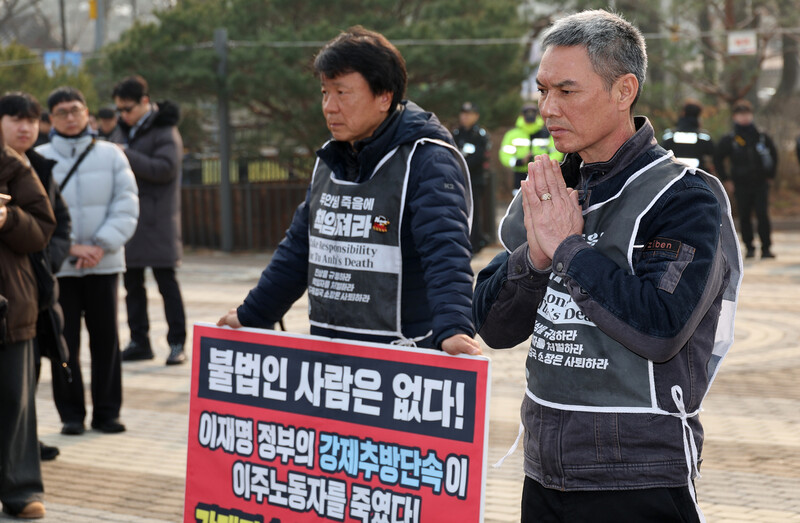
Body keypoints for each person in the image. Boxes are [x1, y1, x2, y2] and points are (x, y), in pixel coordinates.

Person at [473, 10, 741, 522]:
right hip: (544, 471)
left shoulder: (684, 197)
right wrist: (534, 256)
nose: (548, 108)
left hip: (636, 475)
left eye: (567, 92)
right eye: (542, 90)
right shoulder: (548, 190)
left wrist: (568, 249)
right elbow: (492, 326)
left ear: (624, 91)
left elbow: (660, 327)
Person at [218, 26, 480, 357]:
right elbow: (301, 248)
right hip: (332, 354)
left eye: (343, 93)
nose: (329, 106)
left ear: (384, 96)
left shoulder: (427, 159)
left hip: (404, 358)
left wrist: (454, 328)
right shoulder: (333, 158)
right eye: (325, 93)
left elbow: (445, 251)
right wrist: (253, 315)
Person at [35, 86, 139, 436]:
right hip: (60, 266)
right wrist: (71, 248)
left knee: (106, 339)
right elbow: (35, 214)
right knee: (65, 342)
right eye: (61, 112)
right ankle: (71, 415)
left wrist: (99, 244)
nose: (69, 116)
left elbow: (126, 204)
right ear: (50, 119)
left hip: (104, 263)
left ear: (87, 113)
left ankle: (108, 413)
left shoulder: (112, 155)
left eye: (75, 110)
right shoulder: (38, 157)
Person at [0, 92, 73, 462]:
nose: (25, 127)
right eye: (15, 119)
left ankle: (23, 453)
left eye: (31, 120)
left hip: (32, 288)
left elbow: (56, 227)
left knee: (26, 378)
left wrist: (42, 263)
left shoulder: (39, 167)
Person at [109, 75, 188, 365]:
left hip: (157, 220)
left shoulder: (164, 130)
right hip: (129, 220)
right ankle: (139, 341)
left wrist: (127, 155)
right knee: (132, 284)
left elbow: (165, 169)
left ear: (145, 102)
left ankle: (177, 343)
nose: (123, 116)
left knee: (166, 283)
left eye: (127, 109)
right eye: (119, 110)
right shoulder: (122, 131)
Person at [1, 132, 56, 519]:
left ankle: (20, 489)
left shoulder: (11, 164)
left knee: (14, 401)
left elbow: (43, 229)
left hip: (10, 304)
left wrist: (8, 217)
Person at [714, 99, 778, 259]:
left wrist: (770, 176)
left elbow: (774, 155)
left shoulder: (761, 136)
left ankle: (766, 248)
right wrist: (726, 179)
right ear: (735, 117)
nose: (744, 118)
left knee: (762, 215)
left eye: (747, 114)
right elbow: (718, 158)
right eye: (740, 114)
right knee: (744, 216)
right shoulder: (730, 139)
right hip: (740, 184)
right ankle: (749, 247)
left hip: (760, 183)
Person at [452, 101, 492, 253]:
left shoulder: (480, 135)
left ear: (476, 116)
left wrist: (462, 165)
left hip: (474, 180)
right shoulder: (456, 134)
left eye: (469, 114)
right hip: (457, 180)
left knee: (474, 213)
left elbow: (479, 157)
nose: (465, 117)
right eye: (463, 113)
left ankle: (475, 243)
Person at [498, 102, 563, 195]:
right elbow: (505, 155)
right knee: (520, 205)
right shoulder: (512, 135)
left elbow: (557, 152)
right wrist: (519, 161)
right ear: (521, 115)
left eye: (532, 112)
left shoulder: (547, 133)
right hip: (519, 176)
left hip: (542, 175)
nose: (530, 115)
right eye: (527, 113)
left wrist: (542, 164)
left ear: (537, 114)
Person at [661, 99, 715, 172]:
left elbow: (661, 156)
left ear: (683, 113)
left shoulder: (669, 135)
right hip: (698, 177)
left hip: (673, 177)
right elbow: (715, 156)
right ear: (698, 116)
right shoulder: (704, 137)